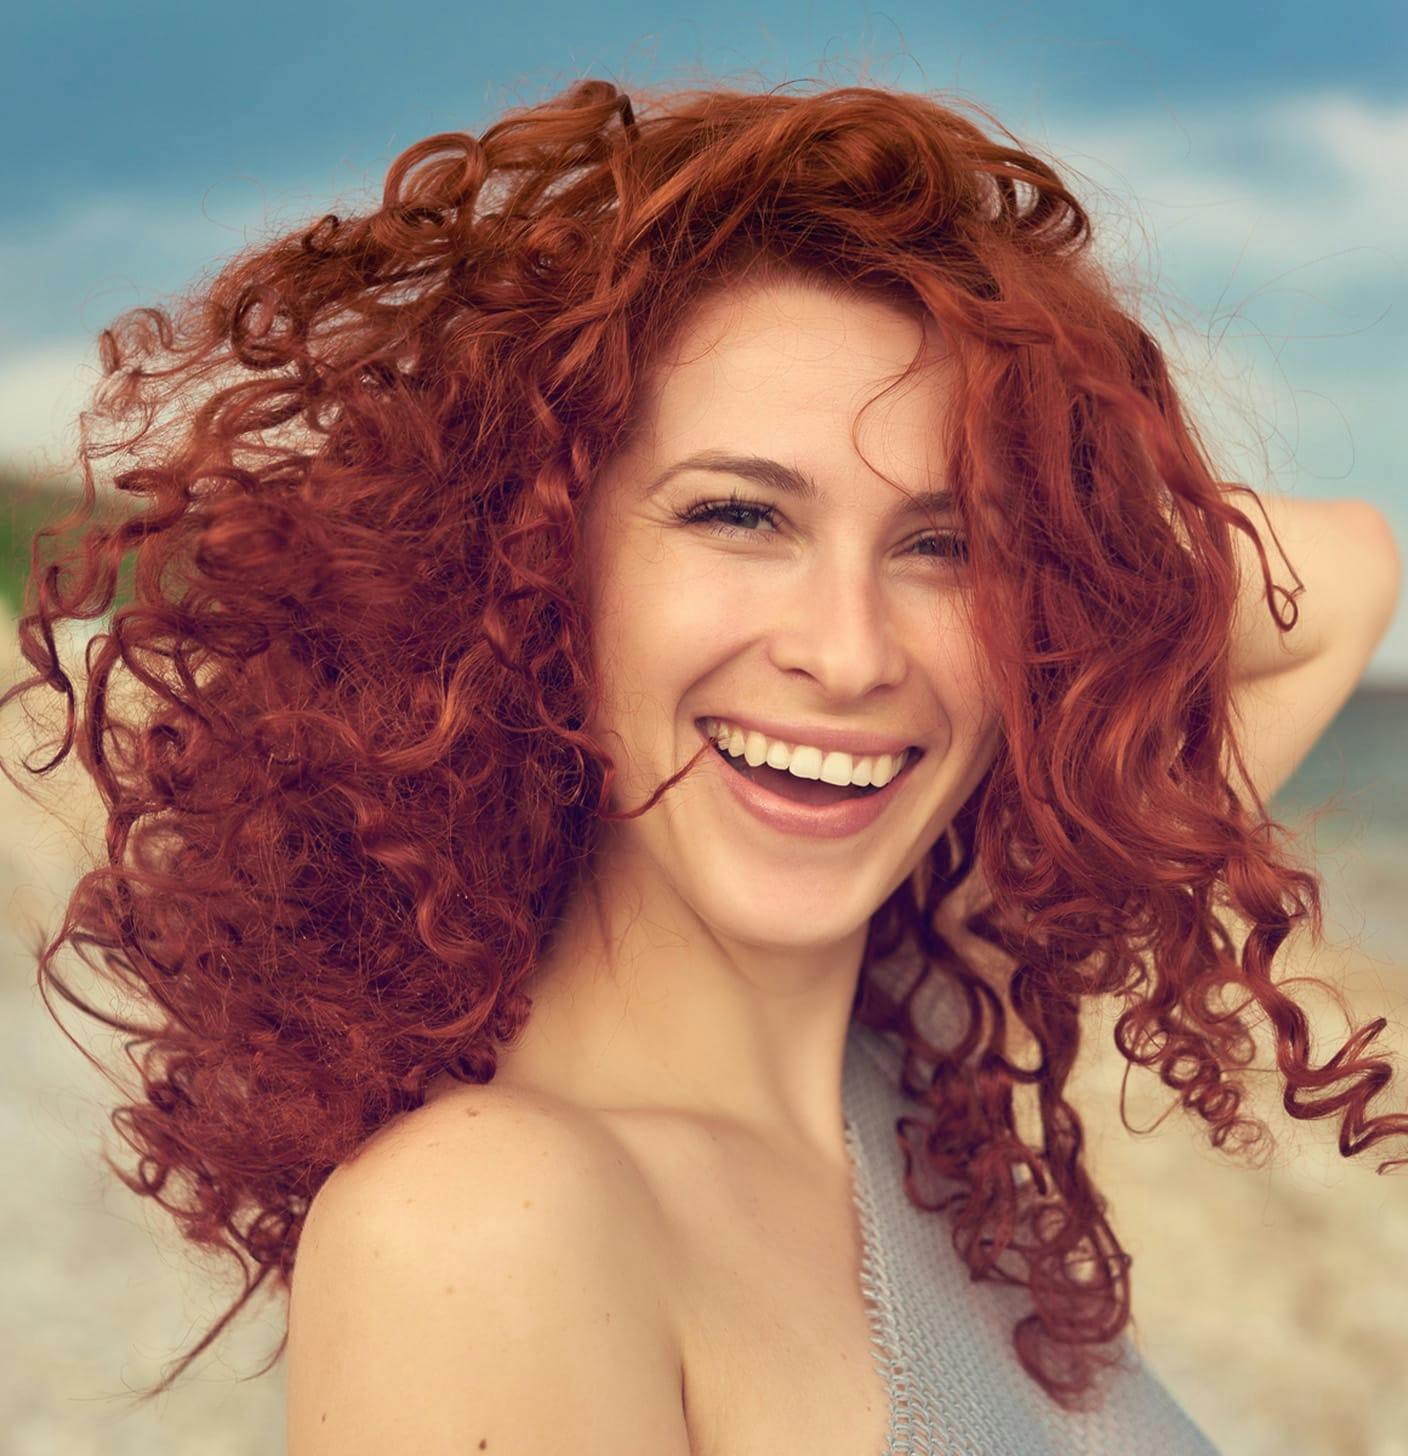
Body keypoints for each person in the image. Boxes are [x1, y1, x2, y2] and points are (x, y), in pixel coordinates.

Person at [5, 74, 1403, 1455]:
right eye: (740, 515)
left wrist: (1066, 513)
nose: (848, 653)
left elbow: (1347, 576)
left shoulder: (920, 1047)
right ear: (534, 567)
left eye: (944, 544)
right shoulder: (487, 1221)